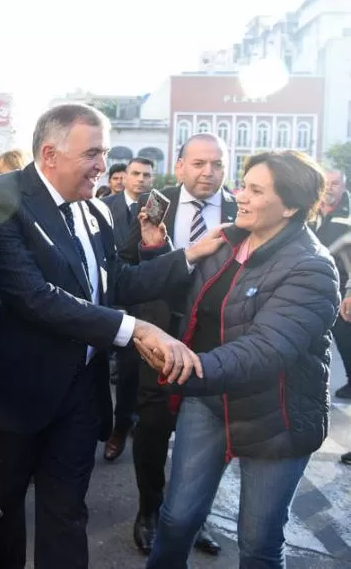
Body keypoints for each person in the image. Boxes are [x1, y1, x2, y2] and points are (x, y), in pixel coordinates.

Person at [0, 103, 219, 569]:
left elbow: (118, 282)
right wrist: (135, 328)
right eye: (94, 154)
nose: (105, 166)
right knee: (1, 523)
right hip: (12, 398)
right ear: (50, 154)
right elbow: (34, 297)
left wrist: (191, 255)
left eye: (104, 153)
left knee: (66, 514)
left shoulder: (96, 211)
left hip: (79, 397)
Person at [144, 150, 339, 569]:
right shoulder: (225, 241)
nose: (240, 196)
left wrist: (187, 367)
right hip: (209, 399)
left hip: (277, 414)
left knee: (258, 541)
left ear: (289, 206)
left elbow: (266, 350)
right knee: (176, 518)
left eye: (254, 190)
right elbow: (191, 309)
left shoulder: (312, 268)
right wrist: (163, 253)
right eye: (242, 185)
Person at [120, 133, 234, 556]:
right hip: (161, 336)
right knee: (152, 427)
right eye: (200, 163)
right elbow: (127, 266)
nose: (209, 172)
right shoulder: (155, 204)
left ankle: (192, 517)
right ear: (180, 165)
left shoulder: (243, 209)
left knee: (211, 433)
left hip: (220, 341)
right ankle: (150, 510)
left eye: (217, 164)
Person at [101, 156, 155, 462]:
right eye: (135, 173)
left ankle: (122, 426)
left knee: (131, 371)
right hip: (109, 298)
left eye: (147, 175)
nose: (140, 180)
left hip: (145, 302)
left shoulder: (160, 207)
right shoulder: (105, 206)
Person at [313, 169, 351, 399]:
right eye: (326, 183)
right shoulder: (310, 212)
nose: (329, 187)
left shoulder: (348, 217)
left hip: (341, 287)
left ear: (343, 187)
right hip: (311, 284)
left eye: (335, 183)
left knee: (346, 336)